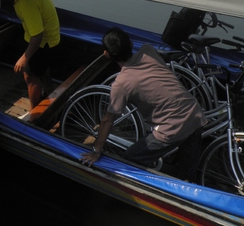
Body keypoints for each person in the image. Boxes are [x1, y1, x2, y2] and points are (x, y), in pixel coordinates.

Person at [80, 27, 207, 182]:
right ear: (132, 44)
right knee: (187, 174)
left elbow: (108, 120)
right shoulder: (148, 50)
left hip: (173, 127)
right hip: (195, 113)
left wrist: (96, 151)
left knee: (131, 157)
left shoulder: (122, 84)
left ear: (106, 54)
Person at [0, 0, 60, 109]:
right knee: (41, 67)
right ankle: (49, 90)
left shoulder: (26, 3)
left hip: (43, 41)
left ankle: (34, 113)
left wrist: (25, 57)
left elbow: (38, 35)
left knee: (30, 76)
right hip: (50, 34)